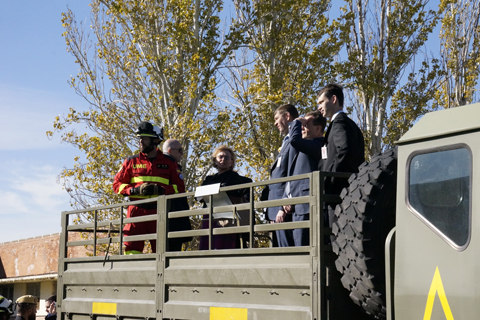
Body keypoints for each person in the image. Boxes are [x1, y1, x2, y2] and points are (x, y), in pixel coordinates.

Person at [113, 121, 185, 254]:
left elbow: (179, 188)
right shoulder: (131, 161)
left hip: (160, 212)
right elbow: (117, 185)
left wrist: (162, 190)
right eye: (139, 138)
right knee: (132, 251)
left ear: (155, 140)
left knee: (162, 252)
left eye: (144, 138)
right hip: (136, 211)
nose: (140, 141)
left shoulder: (169, 162)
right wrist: (133, 190)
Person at [317, 84, 365, 226]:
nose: (319, 107)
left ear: (333, 99)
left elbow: (344, 150)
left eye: (321, 102)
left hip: (337, 193)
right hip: (346, 191)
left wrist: (330, 179)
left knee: (335, 238)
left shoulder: (339, 123)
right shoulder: (349, 124)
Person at [283, 110, 326, 246]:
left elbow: (294, 140)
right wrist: (288, 197)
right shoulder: (305, 146)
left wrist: (295, 122)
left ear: (318, 128)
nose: (302, 127)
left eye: (306, 124)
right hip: (297, 207)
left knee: (307, 249)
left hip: (309, 208)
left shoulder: (320, 144)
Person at [199, 145, 252, 250]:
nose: (223, 160)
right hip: (209, 216)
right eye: (220, 157)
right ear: (215, 160)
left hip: (226, 216)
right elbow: (200, 195)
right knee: (207, 245)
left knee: (222, 246)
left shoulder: (234, 177)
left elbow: (227, 190)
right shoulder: (209, 178)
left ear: (232, 162)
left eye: (227, 157)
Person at [267, 104, 298, 247]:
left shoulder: (295, 140)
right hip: (276, 210)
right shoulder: (287, 140)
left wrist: (282, 206)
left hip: (284, 210)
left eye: (276, 118)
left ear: (287, 116)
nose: (275, 123)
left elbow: (293, 173)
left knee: (287, 253)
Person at [162, 139, 192, 251]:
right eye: (180, 150)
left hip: (175, 218)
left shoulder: (174, 166)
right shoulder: (164, 166)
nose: (182, 154)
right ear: (170, 150)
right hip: (169, 218)